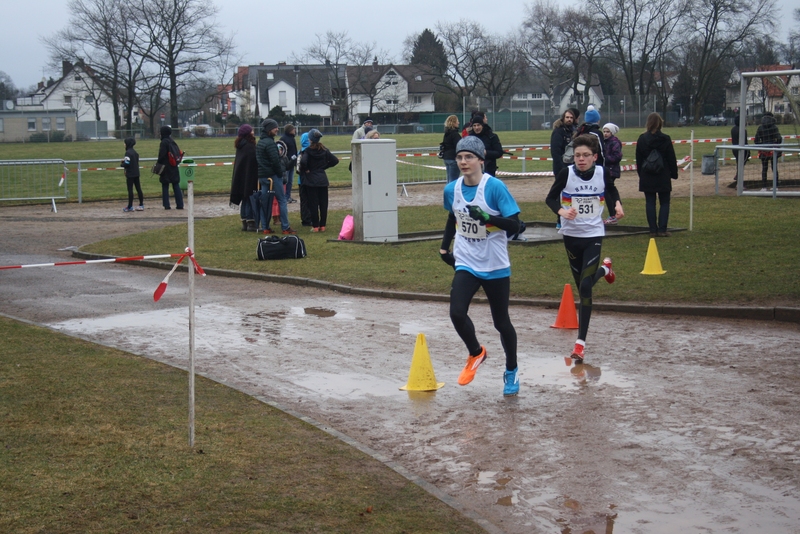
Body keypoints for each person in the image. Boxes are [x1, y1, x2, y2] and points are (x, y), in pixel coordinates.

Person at [439, 135, 524, 397]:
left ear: (480, 160)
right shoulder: (451, 189)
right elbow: (453, 216)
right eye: (459, 157)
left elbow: (517, 226)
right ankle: (476, 352)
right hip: (466, 261)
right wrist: (444, 246)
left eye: (469, 157)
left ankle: (511, 370)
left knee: (501, 322)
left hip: (494, 264)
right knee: (456, 312)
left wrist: (488, 217)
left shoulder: (494, 187)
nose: (463, 162)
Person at [545, 134, 623, 366]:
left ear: (594, 157)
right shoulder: (566, 174)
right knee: (582, 286)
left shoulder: (602, 172)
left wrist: (617, 204)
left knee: (586, 287)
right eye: (578, 155)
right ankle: (605, 270)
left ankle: (580, 344)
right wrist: (562, 212)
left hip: (593, 235)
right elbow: (550, 199)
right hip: (571, 236)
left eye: (586, 155)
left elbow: (611, 190)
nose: (581, 159)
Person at [635, 112, 678, 237]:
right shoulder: (666, 139)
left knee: (650, 202)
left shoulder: (642, 139)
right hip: (662, 173)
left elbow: (638, 159)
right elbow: (671, 158)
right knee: (664, 202)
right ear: (660, 123)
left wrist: (641, 174)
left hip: (647, 173)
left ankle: (652, 230)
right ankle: (662, 229)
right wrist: (674, 173)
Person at [256, 118, 296, 234]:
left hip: (263, 177)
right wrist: (280, 173)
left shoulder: (260, 143)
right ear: (269, 129)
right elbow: (275, 161)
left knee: (265, 202)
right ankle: (285, 227)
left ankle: (265, 227)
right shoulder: (270, 144)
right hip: (273, 176)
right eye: (275, 128)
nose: (277, 129)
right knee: (282, 200)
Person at [299, 129, 339, 232]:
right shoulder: (324, 150)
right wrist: (324, 166)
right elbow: (335, 160)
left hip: (311, 180)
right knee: (323, 203)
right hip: (322, 179)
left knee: (313, 204)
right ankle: (323, 225)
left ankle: (315, 226)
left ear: (310, 139)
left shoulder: (308, 151)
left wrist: (306, 169)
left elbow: (303, 162)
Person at [550, 108, 579, 228]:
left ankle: (573, 217)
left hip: (573, 166)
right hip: (561, 167)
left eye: (571, 118)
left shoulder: (574, 131)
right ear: (563, 118)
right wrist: (561, 168)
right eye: (567, 117)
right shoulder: (558, 132)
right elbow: (555, 151)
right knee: (560, 193)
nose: (569, 120)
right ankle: (560, 219)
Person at [229, 124, 259, 232]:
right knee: (249, 198)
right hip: (250, 177)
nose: (253, 132)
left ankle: (244, 222)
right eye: (252, 130)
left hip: (241, 177)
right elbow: (253, 162)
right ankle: (251, 222)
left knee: (244, 198)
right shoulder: (250, 147)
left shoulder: (241, 146)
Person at [157, 125, 183, 210]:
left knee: (165, 185)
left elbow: (161, 155)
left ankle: (166, 205)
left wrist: (158, 163)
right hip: (174, 166)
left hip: (165, 167)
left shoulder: (164, 142)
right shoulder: (172, 141)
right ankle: (180, 204)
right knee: (176, 185)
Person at [602, 123, 623, 225]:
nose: (605, 134)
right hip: (606, 169)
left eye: (608, 132)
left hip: (611, 170)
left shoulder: (614, 142)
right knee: (606, 191)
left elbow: (617, 156)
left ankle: (613, 214)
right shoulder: (604, 142)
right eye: (604, 131)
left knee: (608, 192)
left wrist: (605, 159)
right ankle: (614, 212)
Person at [754, 111, 782, 189]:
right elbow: (779, 139)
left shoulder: (760, 128)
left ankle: (764, 187)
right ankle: (775, 186)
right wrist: (775, 143)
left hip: (763, 150)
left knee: (764, 168)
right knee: (774, 168)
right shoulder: (774, 127)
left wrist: (761, 145)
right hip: (773, 150)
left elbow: (756, 140)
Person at [121, 137, 143, 212]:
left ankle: (130, 206)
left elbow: (127, 163)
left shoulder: (128, 153)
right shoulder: (135, 153)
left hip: (130, 174)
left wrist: (122, 164)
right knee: (138, 189)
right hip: (136, 173)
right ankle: (141, 204)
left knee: (130, 190)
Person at [280, 124, 299, 203]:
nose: (295, 130)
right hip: (286, 164)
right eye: (293, 129)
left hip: (292, 163)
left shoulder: (292, 138)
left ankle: (288, 196)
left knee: (290, 181)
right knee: (286, 181)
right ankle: (284, 197)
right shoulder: (283, 139)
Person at [297, 131, 312, 227]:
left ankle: (305, 219)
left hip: (301, 180)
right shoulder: (310, 151)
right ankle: (309, 218)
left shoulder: (299, 152)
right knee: (311, 200)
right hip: (309, 179)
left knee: (303, 201)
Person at [441, 115, 461, 183]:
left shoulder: (446, 134)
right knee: (453, 181)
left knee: (449, 179)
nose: (458, 123)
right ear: (454, 122)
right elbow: (458, 146)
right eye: (457, 121)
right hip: (453, 158)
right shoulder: (455, 134)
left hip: (447, 157)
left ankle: (448, 189)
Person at [730, 116, 750, 185]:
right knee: (741, 165)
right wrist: (748, 151)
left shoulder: (733, 129)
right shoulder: (743, 130)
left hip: (734, 148)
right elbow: (745, 142)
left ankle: (738, 175)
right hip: (741, 149)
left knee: (739, 163)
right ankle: (739, 181)